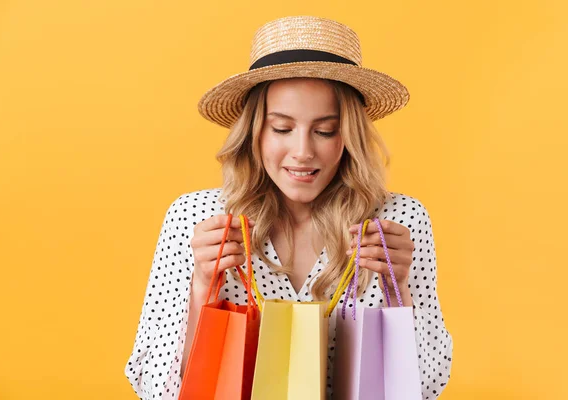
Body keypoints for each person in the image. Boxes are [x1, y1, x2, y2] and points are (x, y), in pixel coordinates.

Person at [124, 15, 453, 400]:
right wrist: (202, 287)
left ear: (349, 135)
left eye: (325, 130)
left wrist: (401, 295)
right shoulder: (196, 218)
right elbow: (154, 388)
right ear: (255, 131)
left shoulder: (396, 222)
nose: (302, 152)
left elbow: (428, 387)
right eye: (282, 128)